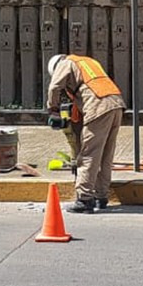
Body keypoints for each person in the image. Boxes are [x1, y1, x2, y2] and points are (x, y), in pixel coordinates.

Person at [45, 53, 125, 213]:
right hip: (116, 104)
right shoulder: (87, 62)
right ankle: (101, 197)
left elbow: (54, 87)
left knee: (89, 154)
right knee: (106, 154)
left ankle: (84, 199)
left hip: (98, 106)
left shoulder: (66, 63)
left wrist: (53, 109)